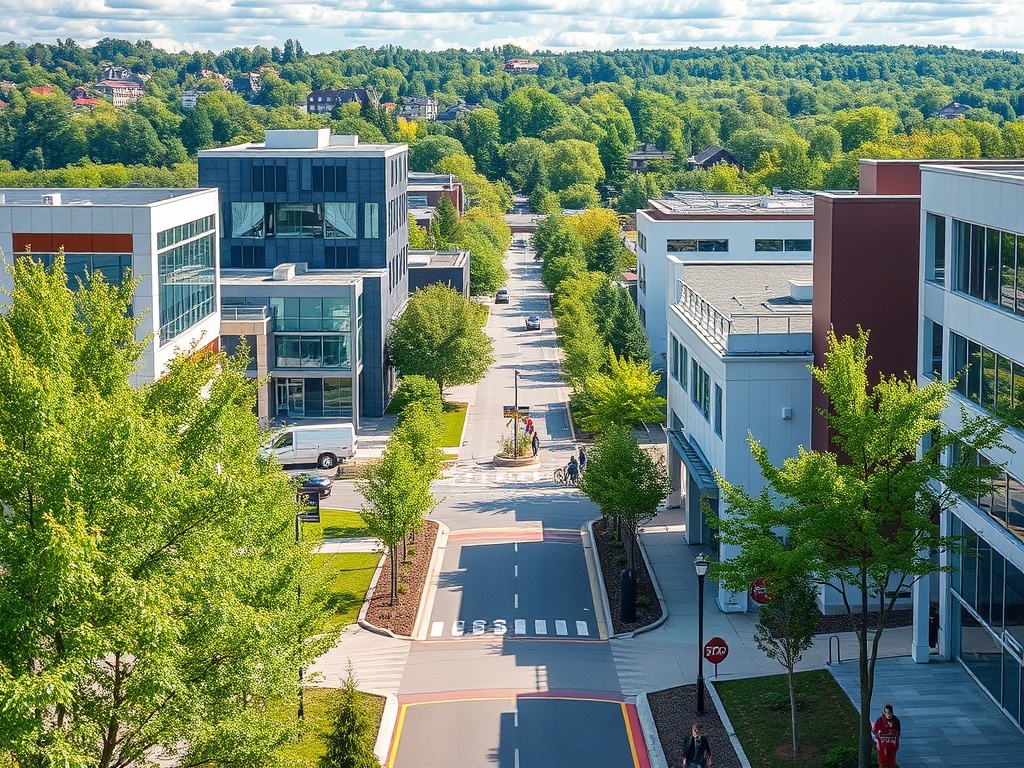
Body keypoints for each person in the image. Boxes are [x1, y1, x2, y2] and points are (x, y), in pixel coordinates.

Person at [872, 704, 901, 768]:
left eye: (890, 712)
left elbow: (898, 733)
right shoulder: (880, 720)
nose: (889, 715)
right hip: (882, 745)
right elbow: (875, 731)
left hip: (892, 744)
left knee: (891, 761)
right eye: (887, 713)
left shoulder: (896, 721)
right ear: (884, 713)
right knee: (882, 761)